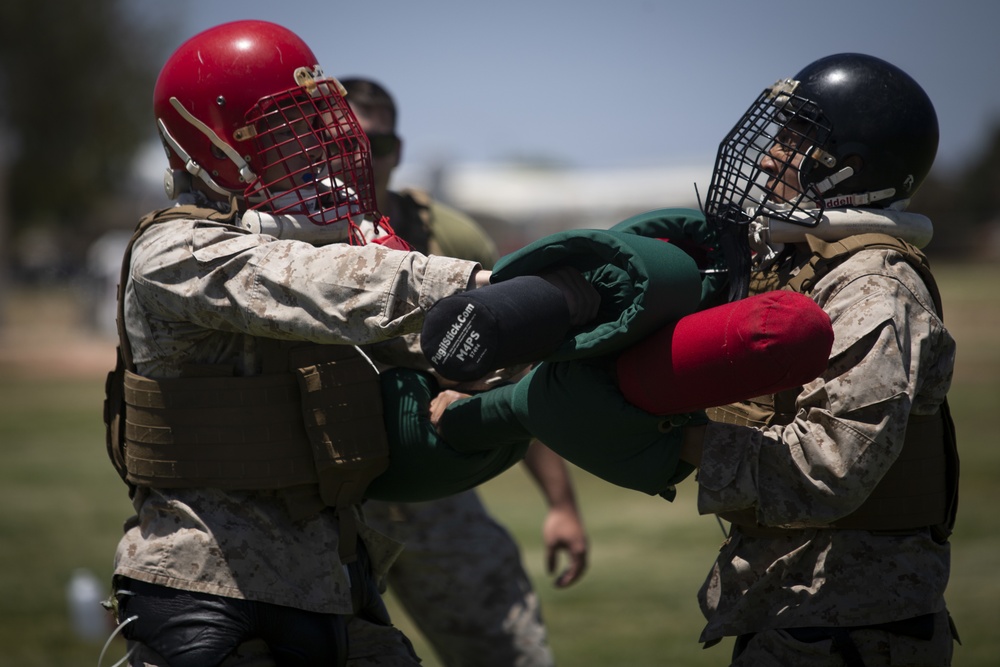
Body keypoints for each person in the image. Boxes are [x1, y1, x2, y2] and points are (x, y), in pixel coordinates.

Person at [102, 20, 596, 667]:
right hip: (209, 586)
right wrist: (488, 284)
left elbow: (439, 354)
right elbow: (318, 286)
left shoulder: (321, 239)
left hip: (333, 574)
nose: (313, 146)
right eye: (286, 131)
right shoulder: (176, 251)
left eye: (311, 125)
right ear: (213, 142)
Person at [677, 53, 959, 665]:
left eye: (797, 137)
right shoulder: (814, 267)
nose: (771, 154)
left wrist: (678, 443)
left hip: (851, 625)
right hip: (802, 611)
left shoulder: (871, 287)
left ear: (848, 168)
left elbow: (827, 468)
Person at [340, 76, 589, 667]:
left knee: (508, 650)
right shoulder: (289, 240)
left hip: (434, 491)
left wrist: (561, 504)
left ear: (397, 151)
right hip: (328, 496)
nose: (363, 157)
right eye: (347, 140)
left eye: (377, 144)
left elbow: (518, 375)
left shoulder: (446, 235)